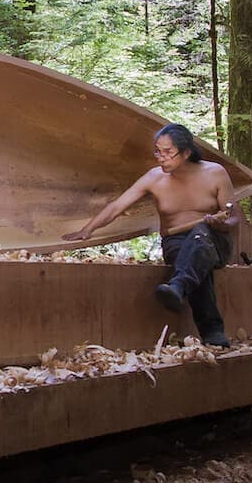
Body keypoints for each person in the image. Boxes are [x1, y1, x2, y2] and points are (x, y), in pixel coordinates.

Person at [63, 123, 239, 348]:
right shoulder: (154, 178)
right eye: (158, 151)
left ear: (186, 152)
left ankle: (178, 286)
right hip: (175, 241)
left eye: (168, 152)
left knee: (200, 239)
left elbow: (234, 218)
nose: (161, 158)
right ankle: (212, 331)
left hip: (214, 240)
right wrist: (87, 230)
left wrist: (219, 223)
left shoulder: (215, 173)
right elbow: (117, 206)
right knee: (193, 261)